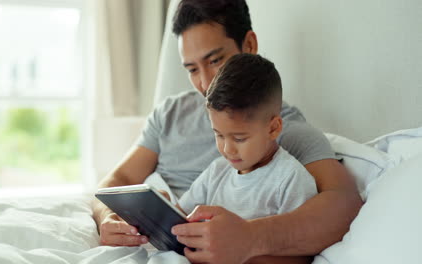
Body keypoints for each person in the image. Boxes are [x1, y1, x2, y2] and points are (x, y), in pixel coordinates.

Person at [92, 0, 362, 263]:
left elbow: (343, 203)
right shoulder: (169, 113)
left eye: (215, 60)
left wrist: (250, 238)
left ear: (249, 45)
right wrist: (108, 216)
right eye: (192, 69)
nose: (206, 83)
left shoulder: (288, 131)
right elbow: (119, 179)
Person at [174, 53, 316, 263]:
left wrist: (241, 256)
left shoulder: (290, 179)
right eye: (219, 135)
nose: (227, 149)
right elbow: (182, 214)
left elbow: (300, 256)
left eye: (239, 138)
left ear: (273, 128)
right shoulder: (217, 171)